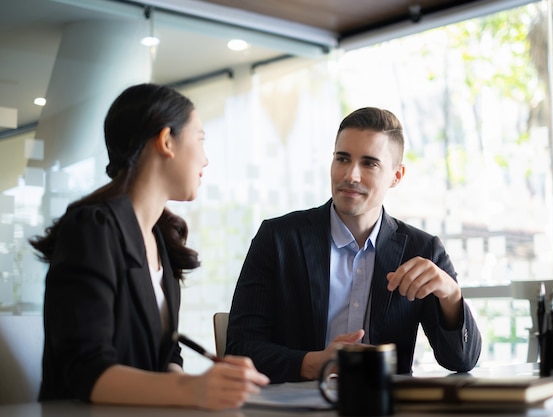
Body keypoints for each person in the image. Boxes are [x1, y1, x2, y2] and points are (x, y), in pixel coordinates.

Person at [29, 83, 269, 409]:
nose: (206, 158)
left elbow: (166, 352)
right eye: (200, 139)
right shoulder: (92, 228)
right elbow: (85, 370)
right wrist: (192, 389)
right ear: (167, 141)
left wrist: (203, 383)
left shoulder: (160, 239)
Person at [226, 107, 482, 383]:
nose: (351, 175)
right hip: (295, 407)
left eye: (369, 163)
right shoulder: (278, 239)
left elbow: (461, 360)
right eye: (342, 159)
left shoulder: (423, 250)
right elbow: (240, 347)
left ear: (397, 176)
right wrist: (314, 364)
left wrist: (451, 296)